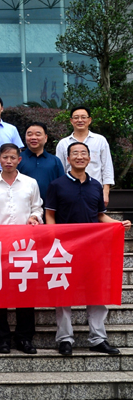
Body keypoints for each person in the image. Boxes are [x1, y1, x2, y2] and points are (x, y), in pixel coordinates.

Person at [45, 142, 131, 356]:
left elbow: (100, 215)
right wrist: (53, 239)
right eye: (75, 153)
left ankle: (98, 338)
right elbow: (50, 215)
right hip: (65, 249)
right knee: (63, 293)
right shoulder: (57, 184)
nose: (79, 156)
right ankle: (65, 339)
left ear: (89, 158)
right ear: (68, 159)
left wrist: (118, 224)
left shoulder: (96, 186)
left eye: (83, 153)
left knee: (96, 291)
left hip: (93, 248)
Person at [0, 143, 42, 355]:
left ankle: (24, 338)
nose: (8, 161)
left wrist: (35, 217)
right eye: (5, 157)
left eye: (12, 157)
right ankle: (2, 338)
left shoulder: (30, 183)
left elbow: (37, 207)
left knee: (25, 292)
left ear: (19, 160)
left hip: (25, 247)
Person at [55, 106, 114, 206]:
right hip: (69, 191)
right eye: (76, 117)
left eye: (83, 117)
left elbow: (107, 167)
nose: (80, 120)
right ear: (71, 121)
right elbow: (60, 170)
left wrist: (105, 192)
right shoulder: (63, 143)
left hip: (95, 191)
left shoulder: (100, 140)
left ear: (89, 120)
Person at [18, 122, 64, 200]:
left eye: (38, 134)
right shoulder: (17, 159)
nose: (33, 137)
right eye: (29, 134)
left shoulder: (55, 161)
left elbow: (62, 185)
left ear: (45, 138)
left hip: (49, 205)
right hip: (23, 204)